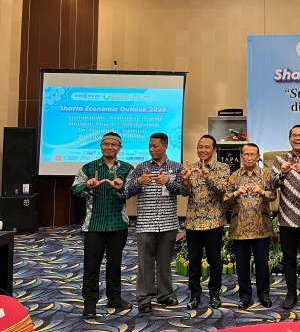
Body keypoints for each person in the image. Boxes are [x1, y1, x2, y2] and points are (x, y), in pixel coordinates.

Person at [71, 132, 134, 319]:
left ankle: (114, 298)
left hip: (118, 224)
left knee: (115, 264)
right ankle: (90, 303)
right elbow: (75, 189)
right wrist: (87, 186)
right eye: (106, 144)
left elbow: (131, 191)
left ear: (119, 148)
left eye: (114, 144)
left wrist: (121, 188)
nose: (109, 147)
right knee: (91, 265)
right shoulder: (88, 168)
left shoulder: (127, 169)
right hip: (94, 225)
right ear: (101, 146)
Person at [125, 132, 183, 315]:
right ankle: (144, 298)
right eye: (150, 146)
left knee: (165, 262)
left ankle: (165, 295)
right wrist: (139, 182)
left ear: (165, 146)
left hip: (168, 223)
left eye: (155, 146)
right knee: (145, 263)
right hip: (145, 223)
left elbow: (183, 189)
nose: (151, 149)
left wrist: (168, 182)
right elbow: (127, 191)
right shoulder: (141, 167)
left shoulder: (176, 167)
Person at [268, 125, 300, 311]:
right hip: (287, 217)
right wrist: (282, 172)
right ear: (289, 138)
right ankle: (291, 293)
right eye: (294, 135)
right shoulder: (280, 159)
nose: (298, 138)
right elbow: (271, 184)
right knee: (288, 258)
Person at [180, 134, 230, 310]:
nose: (203, 150)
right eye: (200, 146)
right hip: (193, 222)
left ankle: (214, 294)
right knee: (193, 262)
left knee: (215, 261)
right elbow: (184, 193)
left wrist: (208, 177)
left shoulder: (223, 168)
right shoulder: (190, 168)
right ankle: (195, 295)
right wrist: (185, 180)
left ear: (214, 150)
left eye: (207, 147)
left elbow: (222, 190)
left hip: (214, 222)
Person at [224, 143, 275, 309]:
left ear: (258, 156)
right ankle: (245, 296)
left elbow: (273, 196)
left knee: (262, 264)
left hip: (261, 228)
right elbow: (225, 199)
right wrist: (236, 193)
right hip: (240, 228)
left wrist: (262, 192)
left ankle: (264, 294)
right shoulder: (234, 176)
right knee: (242, 265)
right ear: (241, 156)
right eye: (246, 154)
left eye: (253, 154)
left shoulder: (266, 174)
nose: (249, 157)